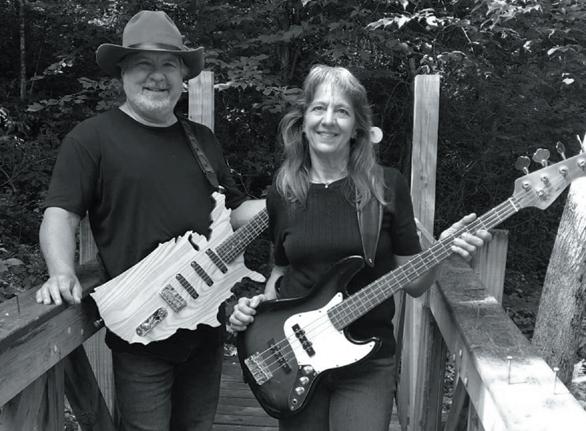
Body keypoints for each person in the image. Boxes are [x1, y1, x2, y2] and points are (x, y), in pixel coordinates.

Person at [228, 65, 492, 431]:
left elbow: (415, 284)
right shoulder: (283, 192)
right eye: (319, 108)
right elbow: (282, 271)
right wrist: (255, 310)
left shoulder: (386, 187)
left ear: (356, 128)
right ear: (303, 122)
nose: (328, 120)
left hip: (366, 361)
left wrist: (442, 250)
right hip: (295, 358)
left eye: (342, 111)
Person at [35, 10, 264, 431]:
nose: (157, 76)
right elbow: (60, 213)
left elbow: (235, 210)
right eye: (144, 63)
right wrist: (61, 271)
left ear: (183, 76)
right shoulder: (91, 138)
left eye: (168, 64)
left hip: (205, 321)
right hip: (142, 328)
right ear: (123, 72)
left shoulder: (202, 140)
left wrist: (282, 203)